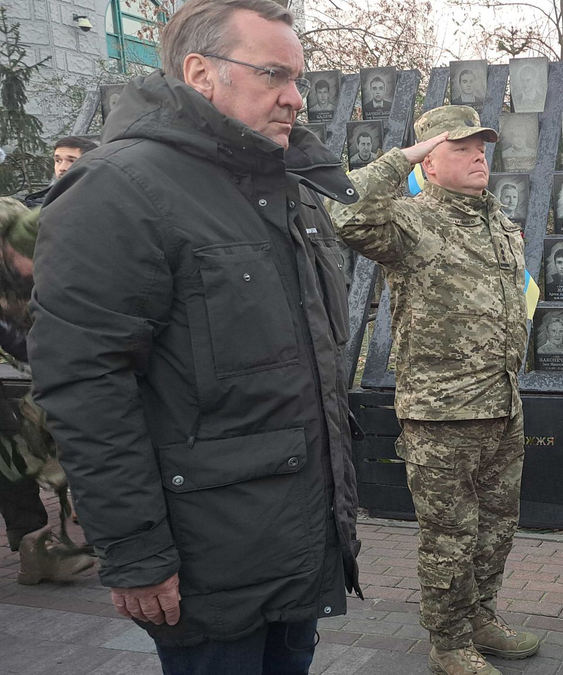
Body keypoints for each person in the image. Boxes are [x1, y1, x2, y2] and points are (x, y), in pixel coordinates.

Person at [28, 1, 362, 671]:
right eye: (274, 74)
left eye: (298, 78)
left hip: (295, 545)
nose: (295, 98)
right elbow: (86, 388)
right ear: (200, 72)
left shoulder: (282, 187)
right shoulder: (119, 189)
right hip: (205, 567)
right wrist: (136, 552)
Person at [327, 104, 539, 675]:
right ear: (431, 162)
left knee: (496, 529)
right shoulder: (412, 221)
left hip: (502, 404)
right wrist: (404, 158)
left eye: (482, 147)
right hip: (442, 413)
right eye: (460, 148)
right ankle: (448, 643)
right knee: (449, 538)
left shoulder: (496, 221)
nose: (477, 156)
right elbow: (342, 212)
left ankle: (480, 620)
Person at [0, 198, 95, 586]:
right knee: (12, 442)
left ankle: (36, 550)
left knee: (16, 439)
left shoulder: (27, 233)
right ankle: (34, 547)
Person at [23, 137, 100, 207]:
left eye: (71, 161)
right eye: (58, 161)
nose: (62, 168)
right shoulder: (38, 203)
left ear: (91, 164)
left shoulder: (101, 203)